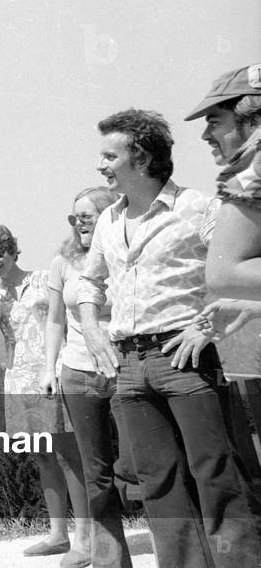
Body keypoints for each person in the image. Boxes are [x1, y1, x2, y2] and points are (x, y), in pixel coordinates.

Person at [77, 109, 261, 568]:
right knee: (158, 484)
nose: (100, 165)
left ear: (140, 157)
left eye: (109, 155)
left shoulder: (195, 206)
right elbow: (89, 283)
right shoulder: (108, 221)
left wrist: (204, 324)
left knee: (217, 476)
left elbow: (236, 264)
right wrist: (94, 329)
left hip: (185, 359)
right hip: (129, 367)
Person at [0, 224, 86, 560]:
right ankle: (57, 534)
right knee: (42, 456)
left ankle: (85, 537)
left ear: (13, 251)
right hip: (18, 381)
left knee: (69, 456)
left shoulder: (41, 279)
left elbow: (61, 319)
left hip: (53, 372)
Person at [41, 189, 131, 568]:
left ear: (108, 215)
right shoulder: (62, 262)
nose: (77, 223)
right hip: (78, 372)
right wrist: (49, 368)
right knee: (95, 472)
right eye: (73, 217)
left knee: (138, 467)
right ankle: (101, 550)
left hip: (127, 369)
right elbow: (55, 319)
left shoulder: (124, 251)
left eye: (86, 216)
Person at [182, 65, 261, 338]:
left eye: (214, 122)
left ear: (253, 120)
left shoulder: (254, 157)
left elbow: (224, 275)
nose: (205, 135)